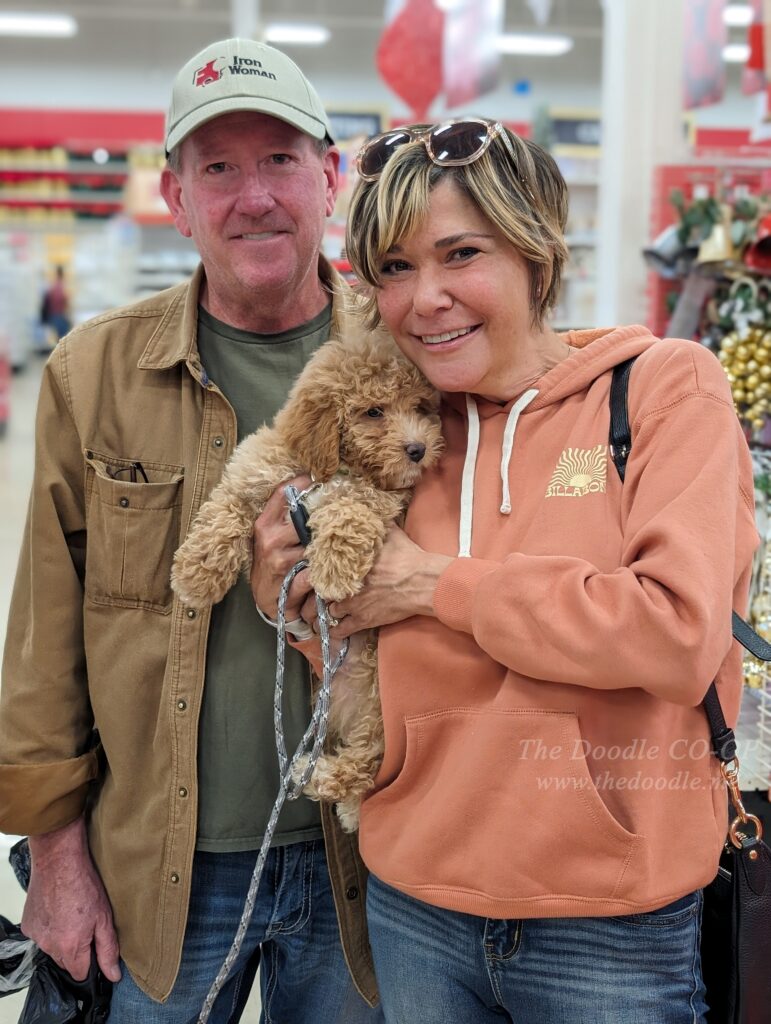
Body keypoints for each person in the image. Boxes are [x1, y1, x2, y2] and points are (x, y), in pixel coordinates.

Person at [254, 118, 759, 1022]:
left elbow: (677, 637)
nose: (426, 298)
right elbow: (358, 654)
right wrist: (296, 598)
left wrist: (432, 585)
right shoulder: (402, 428)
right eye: (395, 268)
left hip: (609, 924)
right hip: (413, 902)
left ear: (535, 251)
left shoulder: (660, 388)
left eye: (461, 254)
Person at [0, 37, 382, 1024]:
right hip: (156, 873)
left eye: (280, 160)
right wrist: (55, 862)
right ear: (175, 199)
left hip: (366, 859)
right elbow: (44, 642)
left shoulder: (407, 363)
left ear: (329, 179)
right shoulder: (95, 375)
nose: (253, 196)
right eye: (218, 168)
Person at [41, 264, 71, 340]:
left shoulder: (54, 285)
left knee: (61, 337)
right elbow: (60, 299)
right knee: (63, 337)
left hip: (55, 313)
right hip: (59, 314)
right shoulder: (60, 285)